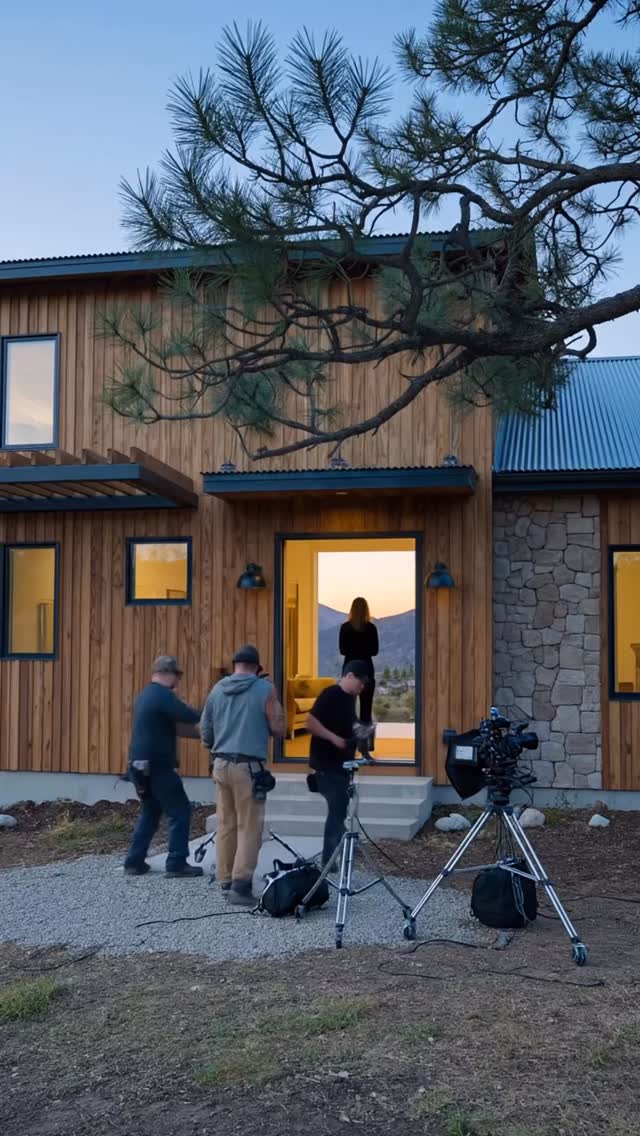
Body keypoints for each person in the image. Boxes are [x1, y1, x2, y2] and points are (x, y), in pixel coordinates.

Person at [200, 645, 285, 905]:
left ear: (235, 665)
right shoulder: (264, 689)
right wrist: (273, 698)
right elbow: (279, 728)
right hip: (248, 767)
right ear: (257, 667)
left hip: (221, 764)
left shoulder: (217, 688)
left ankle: (225, 880)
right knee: (250, 827)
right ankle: (241, 885)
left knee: (226, 824)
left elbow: (206, 730)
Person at [123, 656, 203, 879]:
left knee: (151, 811)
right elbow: (189, 715)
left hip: (139, 767)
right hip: (158, 767)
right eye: (177, 675)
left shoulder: (145, 695)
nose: (178, 680)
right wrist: (211, 712)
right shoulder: (163, 695)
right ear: (168, 673)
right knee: (180, 811)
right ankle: (177, 863)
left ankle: (134, 861)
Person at [306, 660, 370, 868]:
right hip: (327, 765)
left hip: (342, 766)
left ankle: (338, 856)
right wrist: (334, 738)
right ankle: (330, 861)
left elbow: (347, 726)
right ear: (349, 676)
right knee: (337, 813)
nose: (362, 687)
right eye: (360, 682)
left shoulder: (349, 700)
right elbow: (311, 722)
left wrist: (361, 733)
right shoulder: (331, 694)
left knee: (339, 811)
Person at [339, 598, 379, 750]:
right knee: (366, 709)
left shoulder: (345, 628)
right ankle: (366, 745)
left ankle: (349, 743)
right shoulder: (371, 628)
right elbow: (374, 651)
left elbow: (342, 650)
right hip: (366, 669)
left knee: (348, 707)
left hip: (349, 669)